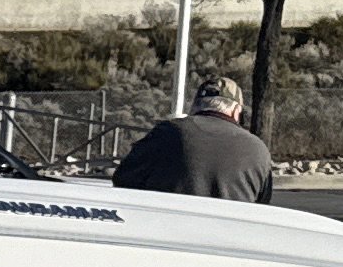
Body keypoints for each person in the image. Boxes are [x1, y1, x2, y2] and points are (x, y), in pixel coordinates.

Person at [112, 79, 277, 201]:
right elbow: (261, 205)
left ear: (195, 106)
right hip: (229, 243)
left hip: (169, 237)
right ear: (236, 112)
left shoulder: (167, 133)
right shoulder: (258, 150)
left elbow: (123, 179)